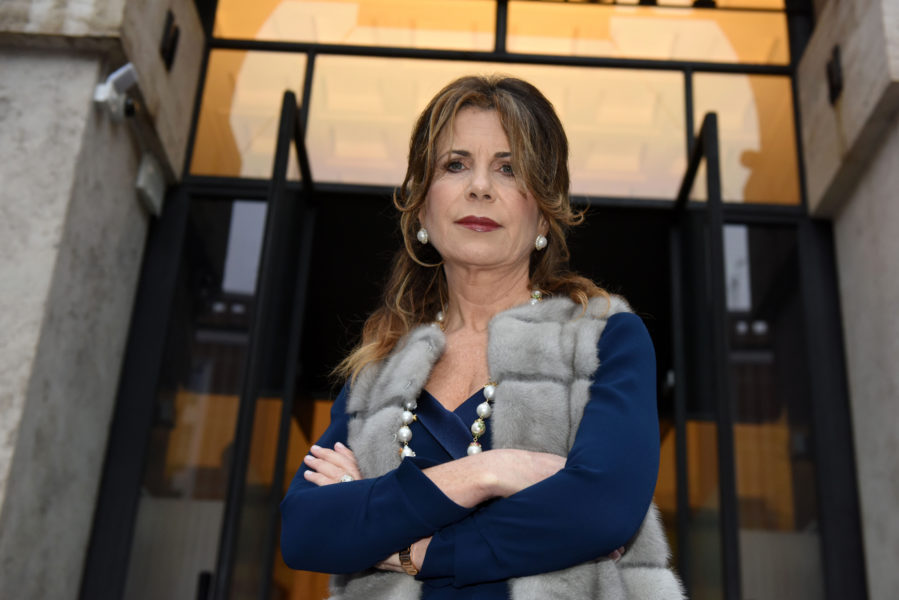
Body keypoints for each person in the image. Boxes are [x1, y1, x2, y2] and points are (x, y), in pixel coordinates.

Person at [280, 75, 683, 600]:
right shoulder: (379, 371)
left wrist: (408, 546)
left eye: (508, 168)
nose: (480, 187)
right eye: (455, 164)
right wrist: (491, 473)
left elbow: (603, 510)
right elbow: (306, 531)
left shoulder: (603, 339)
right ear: (422, 208)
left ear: (544, 213)